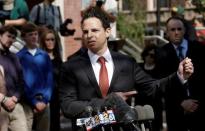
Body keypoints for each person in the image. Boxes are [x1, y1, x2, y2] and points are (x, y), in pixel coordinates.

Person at [59, 7, 194, 131]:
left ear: (107, 32)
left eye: (94, 30)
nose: (89, 35)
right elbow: (67, 106)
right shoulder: (71, 66)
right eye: (85, 32)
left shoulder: (126, 63)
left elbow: (153, 87)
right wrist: (107, 102)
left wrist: (178, 76)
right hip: (87, 127)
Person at [158, 16, 205, 131]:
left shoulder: (199, 49)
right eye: (173, 30)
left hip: (199, 108)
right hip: (175, 111)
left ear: (184, 30)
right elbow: (162, 83)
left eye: (179, 29)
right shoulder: (161, 53)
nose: (176, 32)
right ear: (167, 33)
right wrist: (181, 102)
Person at [16, 23, 53, 131]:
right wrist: (34, 102)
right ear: (23, 37)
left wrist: (45, 100)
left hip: (44, 102)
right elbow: (20, 81)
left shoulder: (44, 55)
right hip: (27, 103)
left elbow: (49, 80)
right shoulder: (19, 57)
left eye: (36, 34)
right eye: (30, 34)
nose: (34, 37)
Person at [0, 25, 28, 131]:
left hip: (15, 104)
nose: (11, 40)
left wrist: (15, 97)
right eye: (8, 36)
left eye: (13, 37)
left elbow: (21, 81)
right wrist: (3, 99)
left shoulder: (14, 57)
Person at [39, 28, 62, 131]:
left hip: (56, 98)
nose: (50, 42)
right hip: (43, 98)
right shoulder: (40, 58)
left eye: (52, 39)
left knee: (56, 125)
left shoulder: (58, 59)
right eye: (47, 40)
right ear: (43, 41)